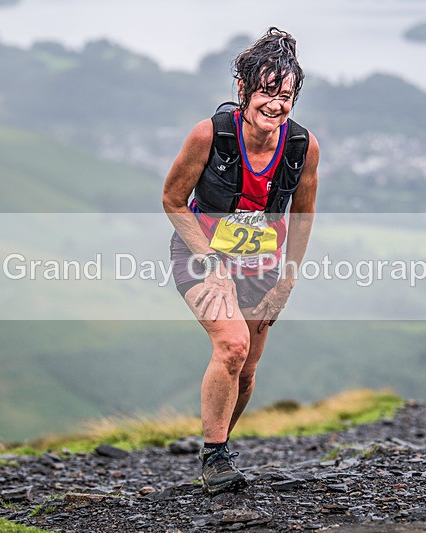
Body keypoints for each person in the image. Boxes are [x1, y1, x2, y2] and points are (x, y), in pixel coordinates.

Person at [162, 27, 319, 495]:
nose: (275, 104)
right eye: (267, 92)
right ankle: (214, 457)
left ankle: (220, 444)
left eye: (285, 95)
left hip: (263, 265)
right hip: (199, 253)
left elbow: (304, 214)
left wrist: (286, 283)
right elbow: (172, 200)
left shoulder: (302, 147)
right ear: (243, 90)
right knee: (231, 346)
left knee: (246, 370)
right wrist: (212, 263)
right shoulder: (210, 135)